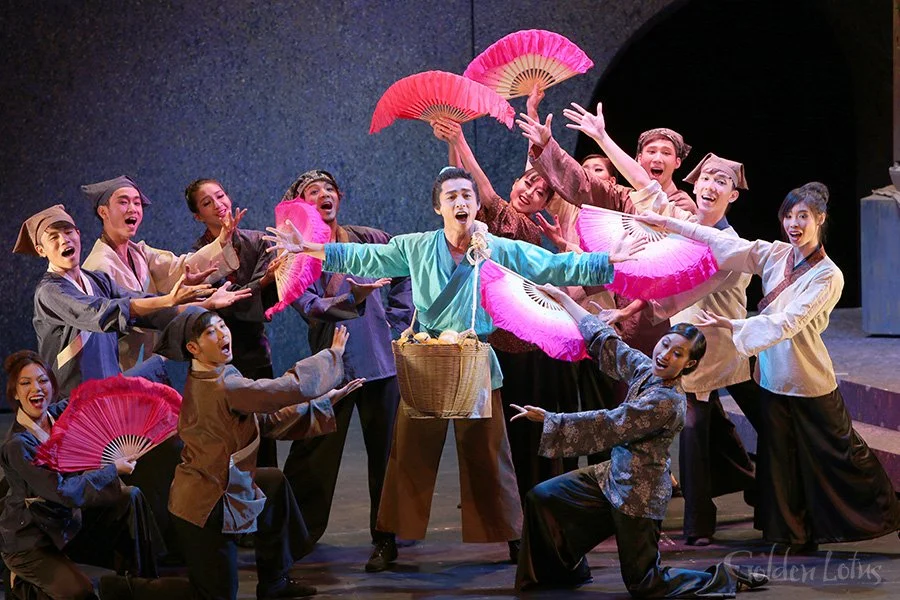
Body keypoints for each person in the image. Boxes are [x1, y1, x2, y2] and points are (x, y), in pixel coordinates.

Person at [263, 167, 644, 572]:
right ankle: (387, 538)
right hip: (427, 361)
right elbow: (366, 257)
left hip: (475, 360)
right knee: (407, 457)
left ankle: (514, 536)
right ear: (438, 207)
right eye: (451, 196)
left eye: (466, 195)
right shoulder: (415, 247)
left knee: (490, 456)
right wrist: (309, 248)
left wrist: (606, 261)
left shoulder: (495, 247)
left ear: (477, 204)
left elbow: (549, 265)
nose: (460, 202)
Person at [638, 182, 900, 552]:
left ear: (820, 219)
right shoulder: (776, 254)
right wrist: (668, 224)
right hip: (773, 377)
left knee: (844, 456)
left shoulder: (828, 275)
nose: (794, 224)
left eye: (803, 216)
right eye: (788, 216)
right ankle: (792, 534)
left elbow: (788, 322)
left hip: (808, 379)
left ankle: (891, 514)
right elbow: (722, 243)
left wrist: (733, 325)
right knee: (781, 461)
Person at [563, 102, 761, 545]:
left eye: (721, 182)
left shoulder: (729, 245)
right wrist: (601, 137)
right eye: (706, 179)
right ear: (696, 184)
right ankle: (706, 519)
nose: (710, 186)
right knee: (699, 428)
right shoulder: (684, 223)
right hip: (689, 347)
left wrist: (630, 308)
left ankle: (767, 493)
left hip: (725, 343)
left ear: (732, 195)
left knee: (745, 423)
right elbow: (645, 185)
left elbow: (676, 289)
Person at [510, 286, 768, 597]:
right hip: (611, 476)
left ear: (688, 365)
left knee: (645, 583)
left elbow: (610, 424)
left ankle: (726, 577)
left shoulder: (667, 402)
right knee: (543, 497)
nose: (665, 355)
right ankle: (563, 571)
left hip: (639, 494)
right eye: (666, 345)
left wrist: (551, 420)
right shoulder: (647, 370)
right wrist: (564, 299)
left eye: (677, 354)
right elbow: (608, 342)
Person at [154, 307, 363, 600]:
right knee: (214, 595)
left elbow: (264, 421)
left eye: (222, 325)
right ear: (193, 348)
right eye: (211, 332)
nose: (223, 334)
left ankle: (274, 581)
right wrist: (332, 356)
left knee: (273, 485)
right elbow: (284, 388)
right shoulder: (223, 385)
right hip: (205, 505)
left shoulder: (219, 374)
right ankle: (126, 589)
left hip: (225, 485)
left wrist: (323, 402)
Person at [431, 118, 580, 508]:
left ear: (545, 205)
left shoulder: (523, 228)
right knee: (492, 428)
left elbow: (483, 191)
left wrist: (461, 138)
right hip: (491, 337)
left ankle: (526, 502)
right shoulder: (485, 221)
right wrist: (452, 145)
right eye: (527, 183)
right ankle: (503, 500)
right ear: (516, 183)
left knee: (518, 429)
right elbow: (461, 190)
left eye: (540, 192)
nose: (530, 192)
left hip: (519, 346)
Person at [279, 169, 414, 571]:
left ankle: (386, 538)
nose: (323, 195)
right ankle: (295, 535)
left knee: (387, 455)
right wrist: (350, 299)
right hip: (331, 363)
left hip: (379, 359)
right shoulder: (297, 253)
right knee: (313, 452)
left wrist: (397, 321)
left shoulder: (368, 238)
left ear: (339, 196)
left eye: (328, 189)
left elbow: (405, 269)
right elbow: (306, 304)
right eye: (312, 192)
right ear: (301, 205)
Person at [13, 205, 251, 396]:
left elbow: (146, 306)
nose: (64, 240)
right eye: (54, 237)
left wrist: (205, 304)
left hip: (108, 386)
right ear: (41, 250)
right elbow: (100, 312)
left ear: (78, 234)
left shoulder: (97, 280)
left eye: (68, 232)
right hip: (72, 394)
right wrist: (168, 300)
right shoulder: (49, 291)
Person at [0, 350, 161, 600]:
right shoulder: (18, 444)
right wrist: (112, 470)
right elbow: (63, 491)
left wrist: (157, 366)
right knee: (80, 593)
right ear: (15, 393)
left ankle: (136, 587)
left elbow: (102, 395)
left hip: (67, 524)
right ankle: (21, 584)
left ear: (53, 385)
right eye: (25, 383)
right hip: (32, 539)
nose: (36, 388)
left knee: (129, 498)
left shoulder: (59, 415)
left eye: (42, 380)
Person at [82, 175, 241, 372]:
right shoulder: (99, 265)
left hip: (146, 356)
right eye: (123, 202)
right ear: (103, 211)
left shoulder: (138, 251)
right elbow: (140, 313)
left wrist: (222, 241)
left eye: (137, 203)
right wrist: (205, 304)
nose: (133, 209)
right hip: (119, 362)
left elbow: (179, 268)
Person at [185, 178, 283, 467]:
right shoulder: (199, 255)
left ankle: (266, 487)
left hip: (254, 347)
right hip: (217, 352)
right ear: (198, 216)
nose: (218, 205)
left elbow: (268, 296)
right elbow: (221, 300)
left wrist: (270, 281)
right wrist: (262, 282)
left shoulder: (257, 241)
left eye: (220, 196)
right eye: (207, 203)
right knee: (227, 434)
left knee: (264, 428)